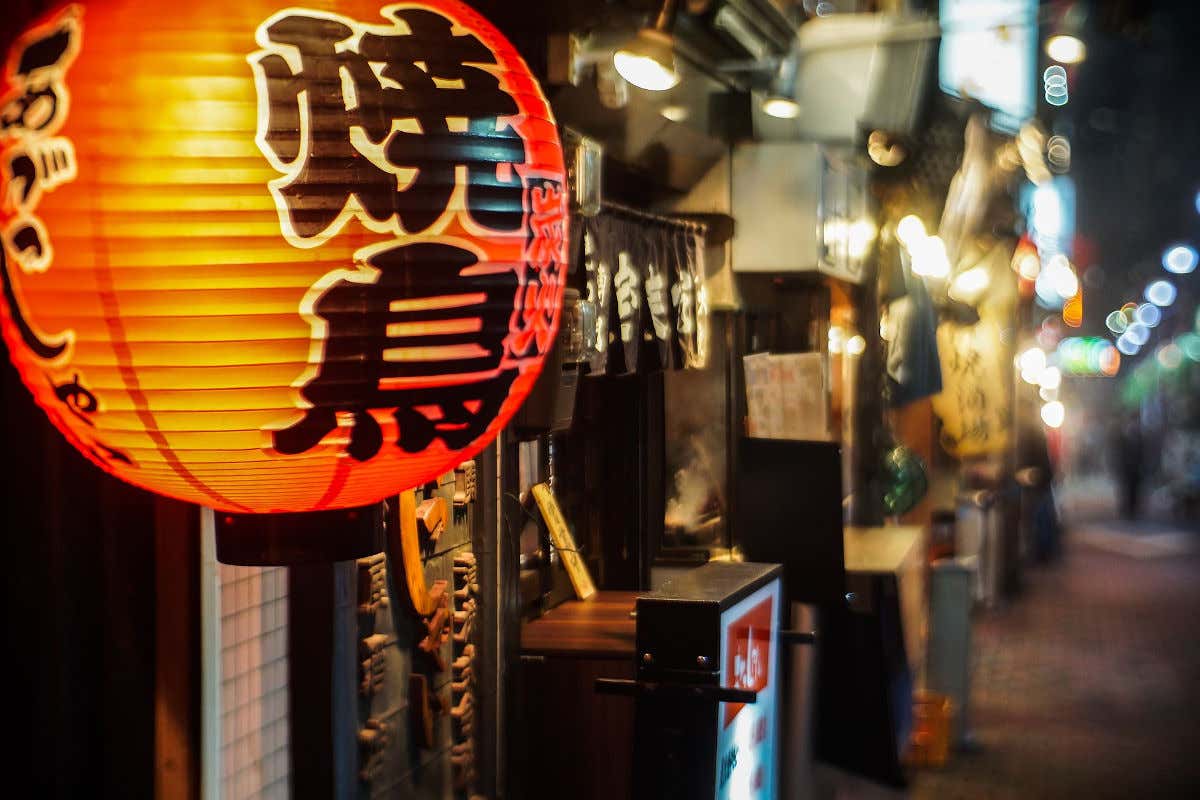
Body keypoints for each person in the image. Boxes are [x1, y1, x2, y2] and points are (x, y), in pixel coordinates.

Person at [1110, 411, 1145, 519]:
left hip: (1136, 468)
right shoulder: (1122, 436)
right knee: (1126, 489)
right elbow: (1118, 452)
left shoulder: (1140, 436)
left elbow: (1143, 453)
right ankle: (1126, 509)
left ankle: (1133, 509)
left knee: (1135, 489)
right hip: (1126, 468)